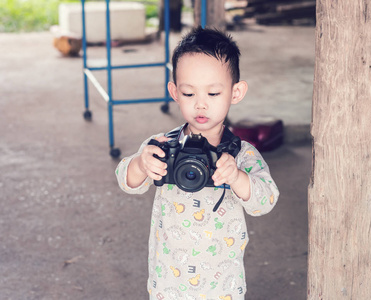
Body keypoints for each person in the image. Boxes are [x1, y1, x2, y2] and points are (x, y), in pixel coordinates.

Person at [115, 26, 279, 300]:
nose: (201, 105)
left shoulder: (241, 154)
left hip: (222, 285)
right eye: (189, 94)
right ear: (175, 92)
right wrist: (141, 165)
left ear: (235, 92)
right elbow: (125, 181)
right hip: (168, 280)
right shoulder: (163, 145)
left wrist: (237, 177)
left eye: (213, 94)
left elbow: (266, 201)